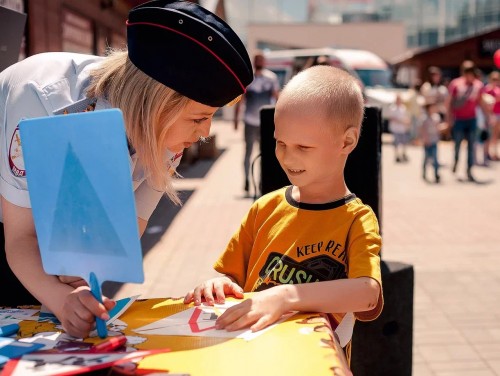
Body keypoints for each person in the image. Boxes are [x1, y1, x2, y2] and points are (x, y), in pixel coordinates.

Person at [0, 0, 253, 338]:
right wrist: (62, 300)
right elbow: (20, 237)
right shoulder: (42, 99)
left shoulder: (164, 133)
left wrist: (80, 283)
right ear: (157, 103)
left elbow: (123, 233)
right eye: (199, 118)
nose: (205, 133)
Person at [185, 65, 383, 364]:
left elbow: (367, 293)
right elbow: (230, 275)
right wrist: (217, 284)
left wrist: (285, 296)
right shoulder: (264, 208)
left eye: (303, 147)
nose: (288, 157)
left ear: (347, 141)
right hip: (252, 358)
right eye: (280, 143)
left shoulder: (357, 219)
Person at [233, 51, 280, 195]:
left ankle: (261, 182)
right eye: (256, 60)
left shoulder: (271, 78)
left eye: (261, 60)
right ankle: (247, 180)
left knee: (265, 153)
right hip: (249, 121)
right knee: (248, 152)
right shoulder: (248, 79)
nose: (259, 62)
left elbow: (277, 98)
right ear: (253, 62)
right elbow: (240, 100)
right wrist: (236, 119)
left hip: (265, 122)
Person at [445, 60, 491, 181]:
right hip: (458, 119)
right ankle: (456, 161)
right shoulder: (456, 84)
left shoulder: (478, 85)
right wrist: (448, 119)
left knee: (471, 145)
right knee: (458, 144)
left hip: (472, 119)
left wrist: (487, 117)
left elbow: (481, 102)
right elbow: (449, 102)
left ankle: (469, 170)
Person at [418, 101, 442, 183]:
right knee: (426, 159)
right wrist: (425, 139)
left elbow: (437, 128)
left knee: (435, 158)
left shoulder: (436, 117)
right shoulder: (424, 118)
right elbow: (422, 130)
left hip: (434, 140)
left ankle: (436, 174)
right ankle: (424, 173)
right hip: (428, 141)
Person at [387, 94, 411, 162]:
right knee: (396, 143)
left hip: (402, 129)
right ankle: (397, 155)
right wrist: (400, 121)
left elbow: (406, 117)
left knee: (404, 142)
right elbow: (391, 118)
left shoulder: (403, 108)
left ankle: (403, 154)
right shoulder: (392, 108)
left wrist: (407, 122)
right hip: (395, 128)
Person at [483, 71, 500, 161]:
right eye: (494, 79)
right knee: (489, 134)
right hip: (490, 115)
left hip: (498, 114)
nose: (495, 81)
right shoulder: (487, 89)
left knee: (496, 135)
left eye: (497, 79)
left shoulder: (498, 89)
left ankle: (495, 152)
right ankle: (487, 153)